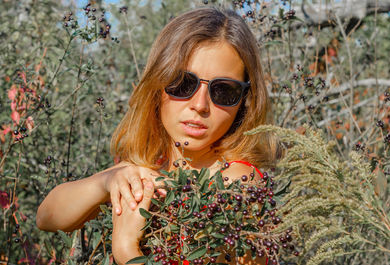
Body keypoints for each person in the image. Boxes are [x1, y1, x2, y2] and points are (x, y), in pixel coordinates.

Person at [36, 7, 281, 265]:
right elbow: (47, 217)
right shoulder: (154, 165)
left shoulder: (239, 185)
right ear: (157, 83)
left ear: (244, 101)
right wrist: (107, 181)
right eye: (183, 83)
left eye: (224, 91)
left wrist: (126, 250)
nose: (200, 105)